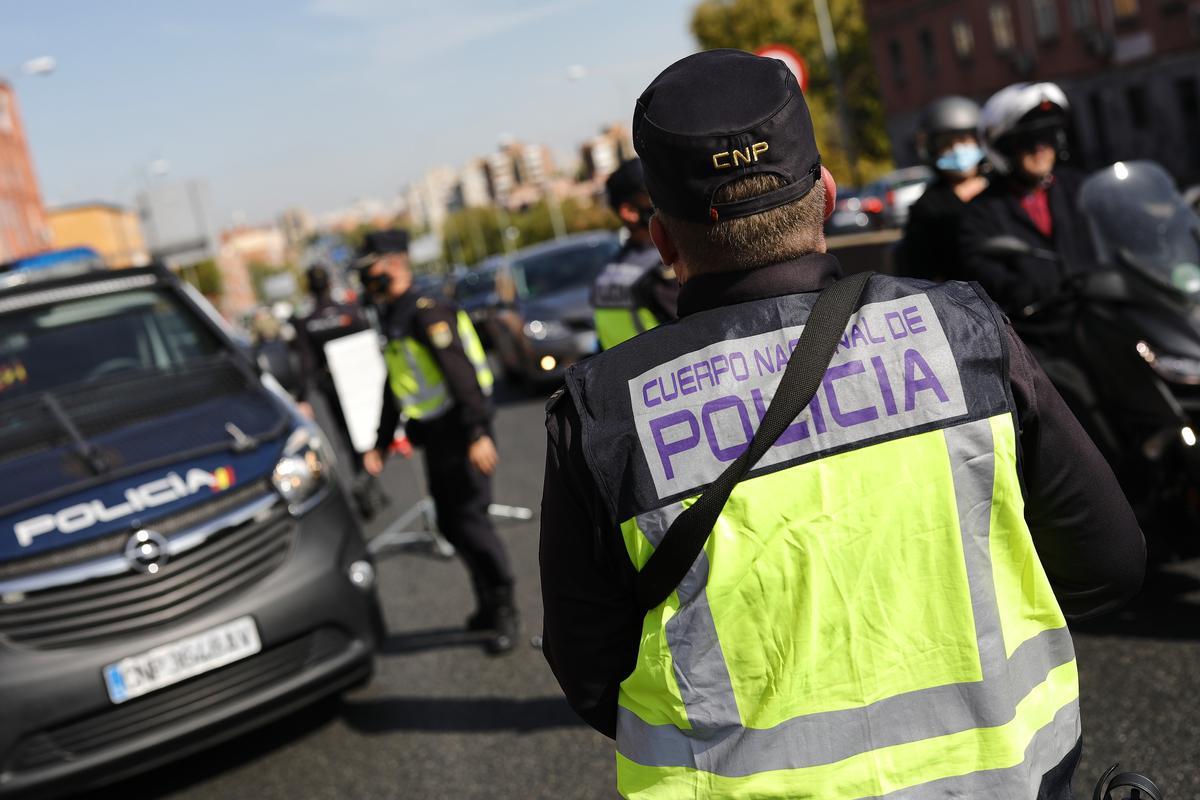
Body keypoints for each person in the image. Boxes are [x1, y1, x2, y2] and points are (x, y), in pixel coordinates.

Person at [539, 50, 1145, 798]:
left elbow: (591, 669)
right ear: (825, 196)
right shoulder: (961, 331)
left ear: (663, 241)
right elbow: (1109, 560)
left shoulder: (602, 411)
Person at [358, 229, 518, 655]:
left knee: (471, 520)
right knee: (450, 522)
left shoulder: (426, 311)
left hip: (462, 430)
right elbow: (396, 386)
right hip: (437, 435)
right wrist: (379, 442)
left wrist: (477, 432)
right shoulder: (393, 314)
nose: (364, 279)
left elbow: (460, 374)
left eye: (369, 269)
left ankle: (504, 607)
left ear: (393, 264)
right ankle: (486, 601)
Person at [959, 82, 1097, 314]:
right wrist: (1029, 292)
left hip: (1098, 311)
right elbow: (984, 271)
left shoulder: (1081, 188)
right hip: (1039, 329)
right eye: (1029, 139)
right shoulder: (981, 212)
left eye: (1048, 135)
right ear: (1005, 148)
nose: (1041, 148)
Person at [291, 263, 390, 519]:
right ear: (330, 283)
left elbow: (306, 362)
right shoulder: (350, 311)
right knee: (372, 432)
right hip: (363, 384)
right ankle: (369, 483)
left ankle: (367, 483)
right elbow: (370, 342)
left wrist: (302, 397)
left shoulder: (307, 321)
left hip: (332, 388)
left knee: (350, 438)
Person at [592, 158, 679, 350]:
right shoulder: (660, 271)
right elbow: (701, 337)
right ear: (629, 211)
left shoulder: (608, 273)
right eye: (654, 191)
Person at [898, 96, 989, 281]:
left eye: (964, 140)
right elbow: (921, 272)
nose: (958, 150)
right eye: (946, 144)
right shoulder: (927, 207)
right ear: (932, 150)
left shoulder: (1004, 189)